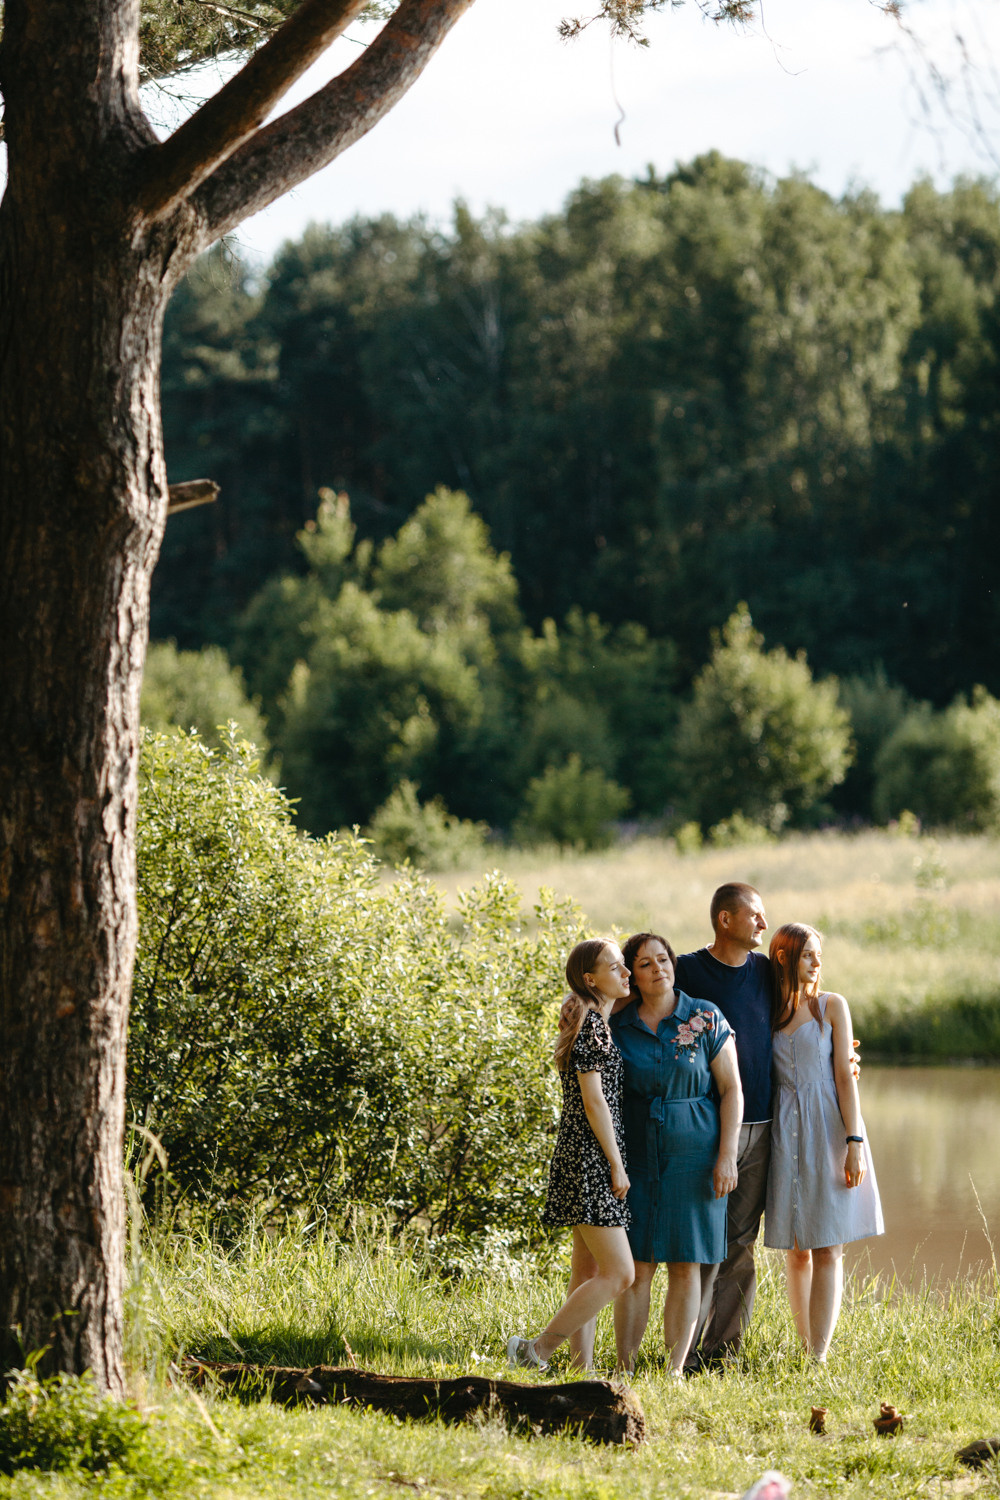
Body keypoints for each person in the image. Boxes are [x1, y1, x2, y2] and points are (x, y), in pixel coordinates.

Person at [611, 931, 743, 1375]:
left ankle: (673, 1370)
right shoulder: (618, 1025)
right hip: (637, 1158)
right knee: (638, 1266)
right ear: (632, 974)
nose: (658, 969)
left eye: (663, 959)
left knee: (686, 1265)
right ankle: (624, 1368)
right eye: (645, 964)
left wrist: (727, 1155)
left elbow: (732, 1090)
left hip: (696, 1156)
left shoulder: (705, 1017)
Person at [506, 938, 635, 1372]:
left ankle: (583, 1373)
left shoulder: (593, 1020)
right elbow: (594, 1100)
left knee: (585, 1275)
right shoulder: (594, 1026)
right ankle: (536, 1350)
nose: (626, 973)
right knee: (620, 1273)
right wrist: (616, 1164)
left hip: (582, 1154)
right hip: (593, 1159)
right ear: (590, 978)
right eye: (616, 967)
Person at [764, 923, 883, 1361]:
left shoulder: (832, 1006)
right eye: (808, 955)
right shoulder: (769, 1009)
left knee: (828, 1246)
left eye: (819, 955)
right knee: (797, 1250)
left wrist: (854, 1141)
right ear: (784, 959)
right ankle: (803, 1346)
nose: (817, 963)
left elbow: (843, 1078)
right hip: (783, 1132)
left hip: (830, 1127)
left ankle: (819, 1356)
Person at [673, 883, 774, 1370]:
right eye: (755, 915)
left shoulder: (766, 973)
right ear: (725, 920)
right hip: (707, 1131)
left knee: (740, 1244)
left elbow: (806, 1013)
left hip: (763, 1128)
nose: (763, 924)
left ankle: (723, 1353)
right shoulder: (688, 971)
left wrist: (846, 1053)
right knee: (700, 1244)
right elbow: (638, 1006)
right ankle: (681, 1353)